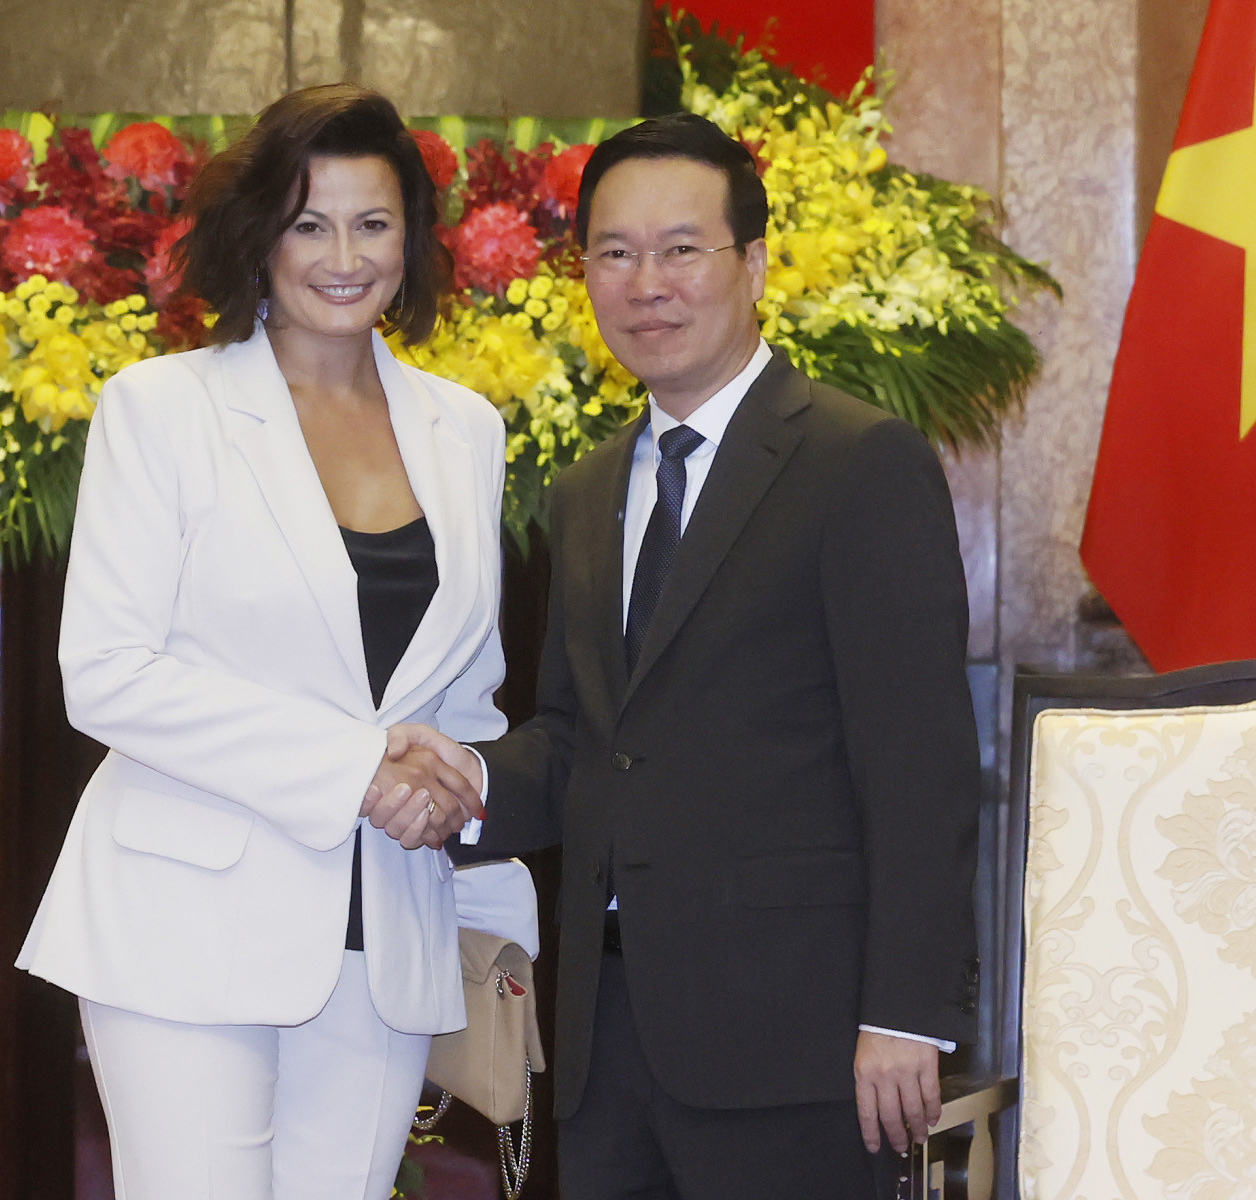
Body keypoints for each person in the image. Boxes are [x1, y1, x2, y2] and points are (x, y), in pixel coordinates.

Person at [383, 113, 981, 1199]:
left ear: (754, 264)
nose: (646, 283)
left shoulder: (858, 461)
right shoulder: (586, 491)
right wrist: (464, 782)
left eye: (680, 250)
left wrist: (907, 1013)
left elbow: (920, 761)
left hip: (800, 1045)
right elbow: (585, 741)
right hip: (607, 1042)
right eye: (615, 253)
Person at [17, 84, 535, 1200]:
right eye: (310, 224)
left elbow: (465, 695)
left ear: (412, 237)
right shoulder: (163, 408)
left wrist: (459, 812)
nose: (344, 258)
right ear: (259, 237)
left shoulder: (466, 429)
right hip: (185, 919)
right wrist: (356, 771)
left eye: (373, 223)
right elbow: (106, 674)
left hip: (387, 923)